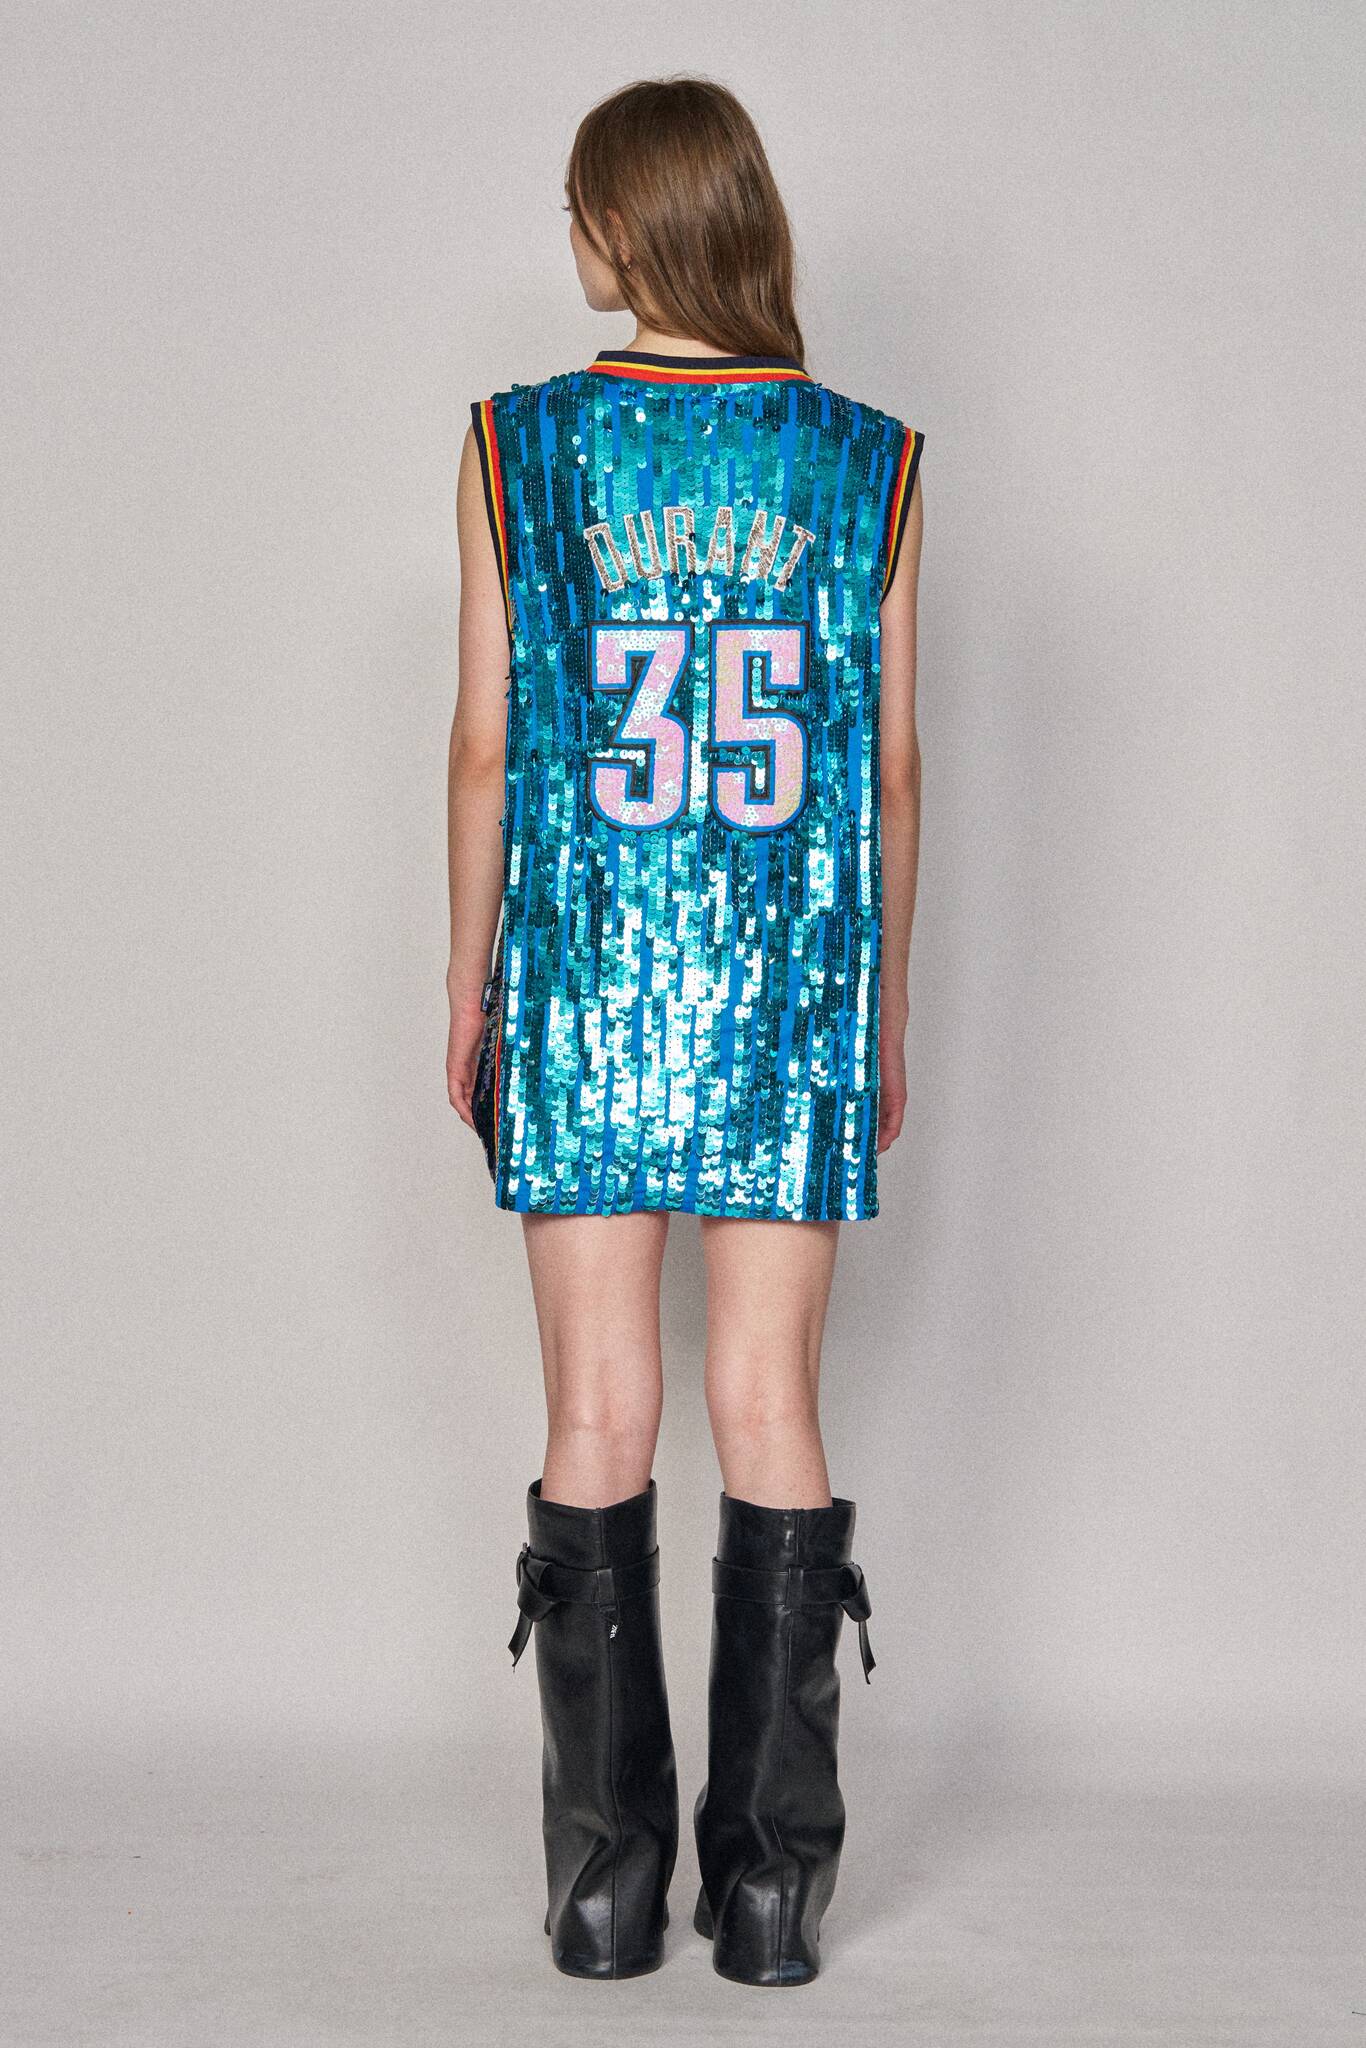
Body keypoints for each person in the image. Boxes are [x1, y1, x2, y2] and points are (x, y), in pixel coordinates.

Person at [445, 75, 924, 1988]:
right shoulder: (865, 460)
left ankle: (603, 1882)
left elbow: (484, 744)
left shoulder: (518, 446)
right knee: (770, 1408)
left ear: (622, 228)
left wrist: (469, 983)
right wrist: (881, 1006)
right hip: (793, 982)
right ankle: (772, 1888)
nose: (567, 238)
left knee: (595, 1411)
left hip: (581, 978)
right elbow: (889, 772)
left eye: (575, 209)